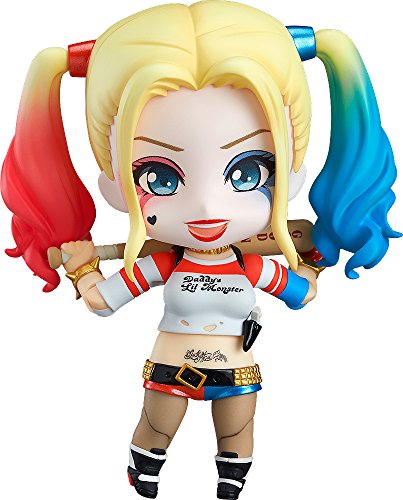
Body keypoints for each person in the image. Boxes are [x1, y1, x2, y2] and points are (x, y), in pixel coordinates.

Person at [1, 1, 399, 499]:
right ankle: (145, 471)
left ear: (290, 173)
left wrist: (314, 262)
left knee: (237, 434)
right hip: (171, 370)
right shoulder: (164, 262)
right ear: (116, 185)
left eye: (248, 172)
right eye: (159, 178)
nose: (209, 207)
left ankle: (230, 481)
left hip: (236, 369)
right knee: (156, 429)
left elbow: (301, 295)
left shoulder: (250, 265)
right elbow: (103, 303)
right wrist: (82, 270)